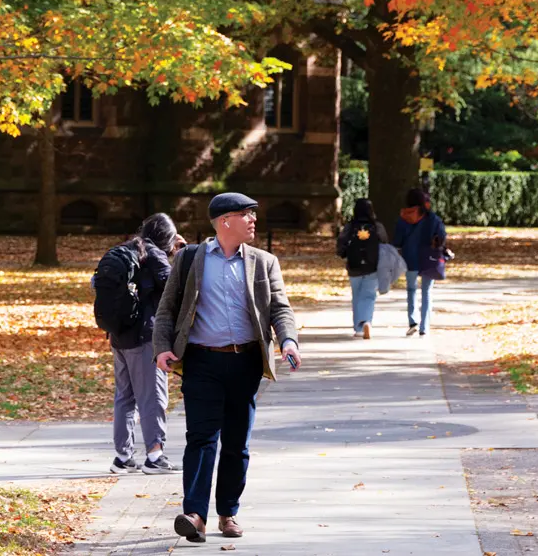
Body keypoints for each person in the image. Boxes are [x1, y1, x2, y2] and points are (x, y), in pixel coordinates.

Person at [153, 192, 301, 543]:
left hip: (246, 361)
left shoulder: (264, 262)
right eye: (245, 214)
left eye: (253, 213)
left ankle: (228, 513)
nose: (253, 220)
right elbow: (167, 309)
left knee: (237, 442)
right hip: (202, 360)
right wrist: (161, 348)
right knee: (201, 438)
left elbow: (280, 308)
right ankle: (195, 515)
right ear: (225, 222)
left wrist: (288, 340)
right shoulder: (189, 259)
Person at [106, 213, 183, 476]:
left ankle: (123, 457)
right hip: (145, 337)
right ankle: (155, 455)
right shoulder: (155, 255)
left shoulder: (128, 249)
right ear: (166, 238)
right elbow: (175, 287)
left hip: (119, 336)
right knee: (153, 396)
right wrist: (178, 254)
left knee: (125, 398)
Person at [393, 188, 446, 336]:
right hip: (428, 258)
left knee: (411, 290)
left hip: (409, 258)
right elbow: (441, 236)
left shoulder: (403, 218)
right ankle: (424, 327)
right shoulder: (432, 218)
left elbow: (397, 240)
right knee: (427, 291)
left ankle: (412, 321)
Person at [336, 198, 389, 339]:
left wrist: (344, 253)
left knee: (357, 296)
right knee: (369, 295)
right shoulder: (377, 226)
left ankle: (358, 327)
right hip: (372, 266)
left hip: (354, 267)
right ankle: (367, 321)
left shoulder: (350, 226)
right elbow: (384, 242)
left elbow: (341, 244)